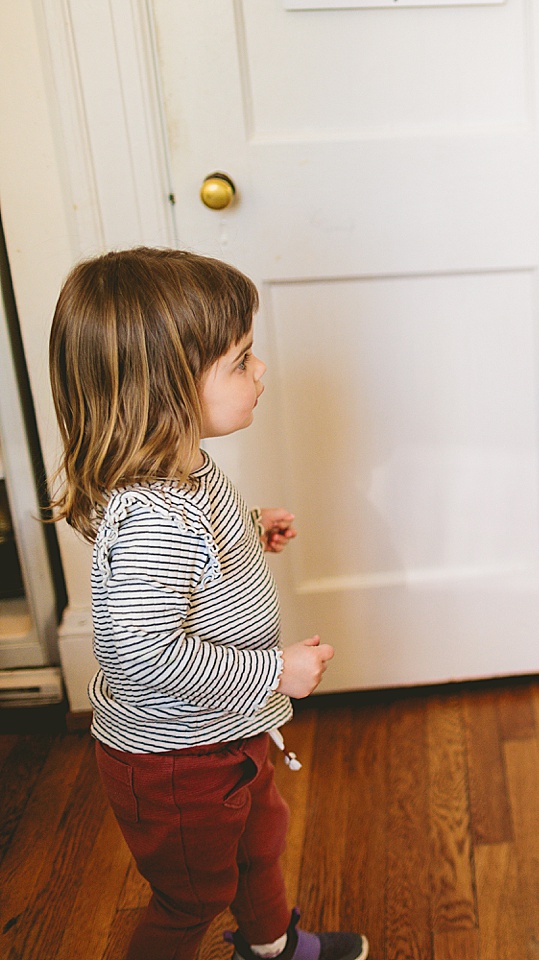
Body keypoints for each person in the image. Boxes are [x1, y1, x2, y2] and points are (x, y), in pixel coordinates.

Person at [47, 248, 367, 960]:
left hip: (223, 731)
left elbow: (193, 557)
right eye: (241, 361)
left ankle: (271, 946)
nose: (262, 373)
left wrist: (250, 528)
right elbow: (141, 650)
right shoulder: (153, 517)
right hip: (175, 759)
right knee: (191, 896)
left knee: (259, 847)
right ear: (167, 388)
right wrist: (271, 674)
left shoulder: (185, 467)